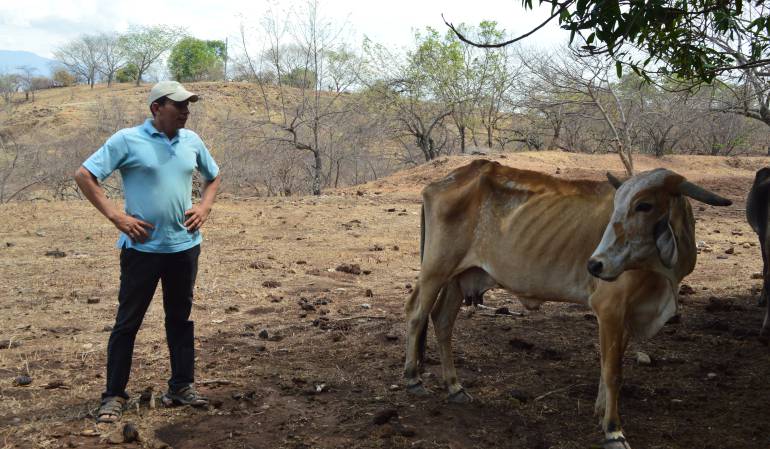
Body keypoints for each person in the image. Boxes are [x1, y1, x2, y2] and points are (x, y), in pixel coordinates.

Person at [74, 81, 221, 423]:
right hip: (142, 249)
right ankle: (113, 395)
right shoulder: (128, 140)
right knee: (128, 322)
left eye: (188, 106)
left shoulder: (191, 141)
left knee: (180, 320)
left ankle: (181, 387)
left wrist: (205, 207)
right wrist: (116, 216)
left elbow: (213, 177)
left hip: (183, 247)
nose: (186, 112)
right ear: (157, 108)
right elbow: (84, 175)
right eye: (179, 106)